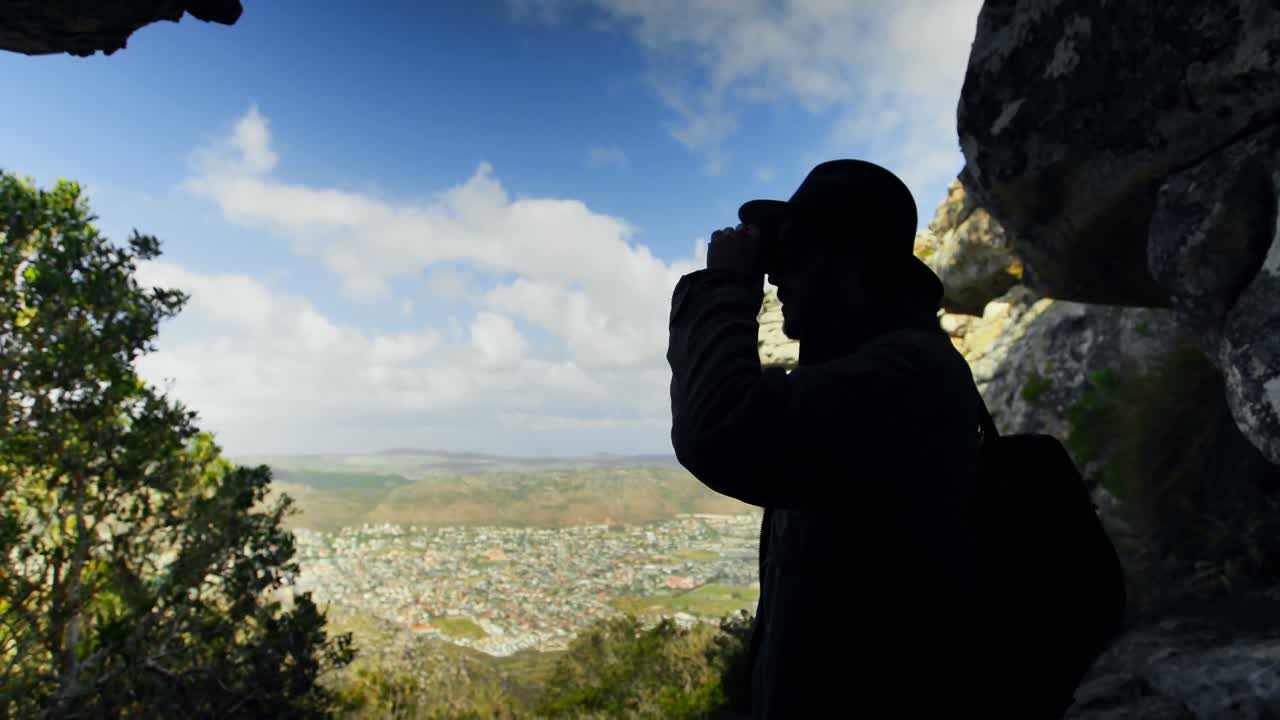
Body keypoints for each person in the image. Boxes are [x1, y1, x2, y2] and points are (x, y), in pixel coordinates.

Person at [667, 160, 986, 718]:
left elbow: (718, 432)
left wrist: (724, 287)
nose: (775, 277)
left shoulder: (904, 376)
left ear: (849, 262)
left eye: (794, 255)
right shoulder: (880, 371)